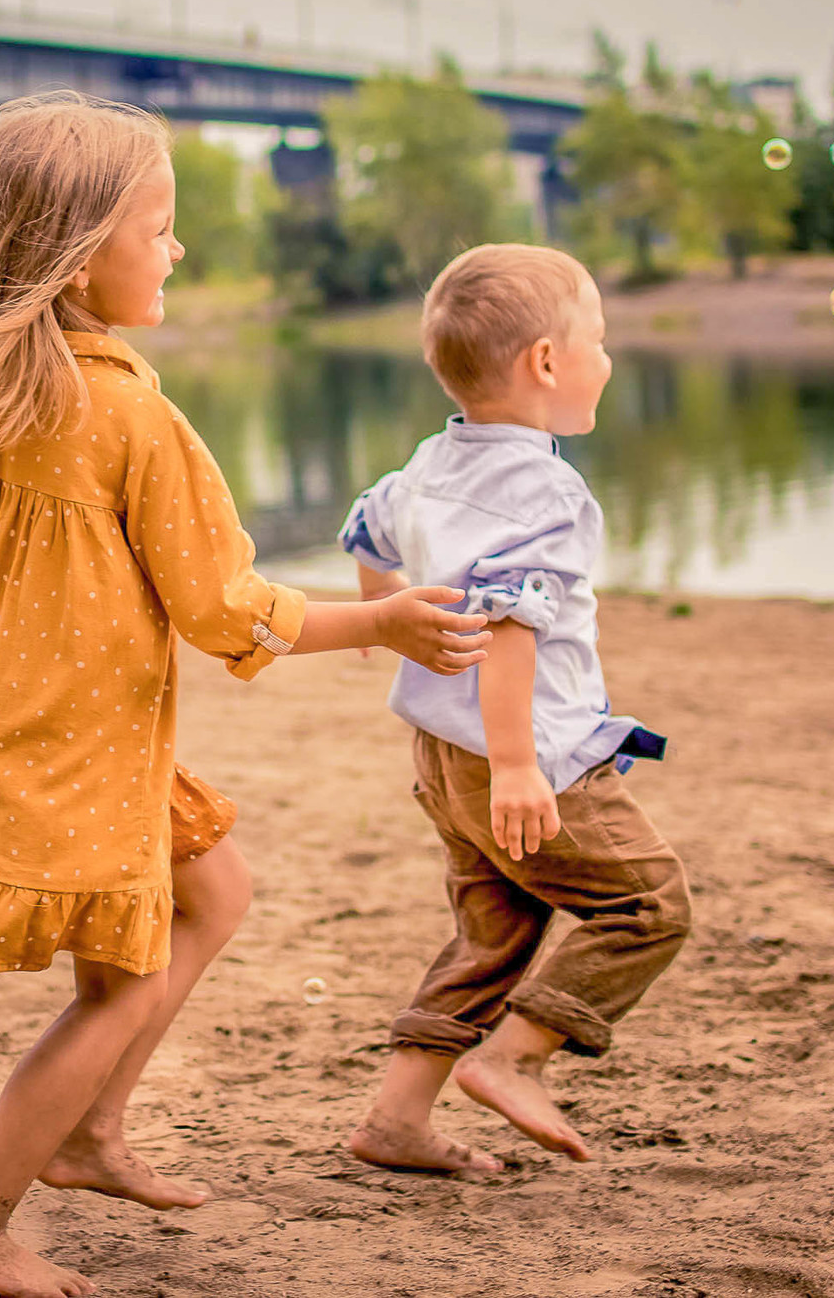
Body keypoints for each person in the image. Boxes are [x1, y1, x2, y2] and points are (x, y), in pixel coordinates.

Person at [0, 90, 491, 1298]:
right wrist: (381, 617)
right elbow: (222, 609)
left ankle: (90, 1132)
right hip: (70, 747)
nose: (177, 249)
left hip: (23, 735)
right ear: (82, 255)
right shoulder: (131, 415)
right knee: (121, 982)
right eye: (160, 228)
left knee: (216, 890)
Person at [336, 242, 692, 1174]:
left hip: (440, 752)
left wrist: (382, 614)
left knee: (491, 933)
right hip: (526, 752)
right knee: (648, 902)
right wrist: (520, 764)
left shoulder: (433, 457)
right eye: (598, 340)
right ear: (546, 361)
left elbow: (368, 522)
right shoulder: (547, 490)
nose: (607, 358)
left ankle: (396, 1118)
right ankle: (513, 1058)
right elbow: (508, 625)